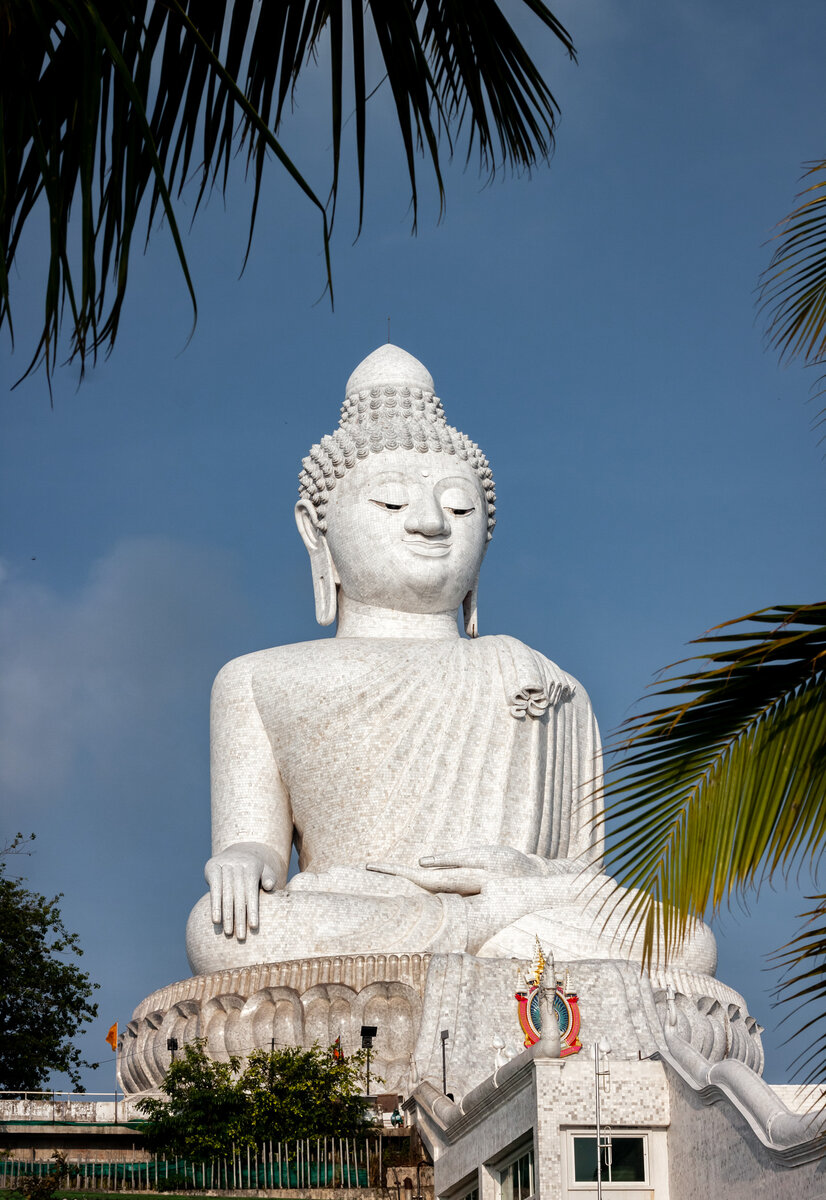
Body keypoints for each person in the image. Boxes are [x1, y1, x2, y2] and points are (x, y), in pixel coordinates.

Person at [186, 345, 716, 978]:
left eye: (461, 508)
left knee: (684, 942)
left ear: (485, 534)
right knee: (221, 931)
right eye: (391, 502)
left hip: (521, 905)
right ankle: (479, 940)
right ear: (316, 529)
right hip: (361, 904)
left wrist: (529, 880)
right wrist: (243, 860)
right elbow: (259, 845)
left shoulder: (547, 681)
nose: (432, 522)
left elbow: (582, 872)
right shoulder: (259, 678)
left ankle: (470, 939)